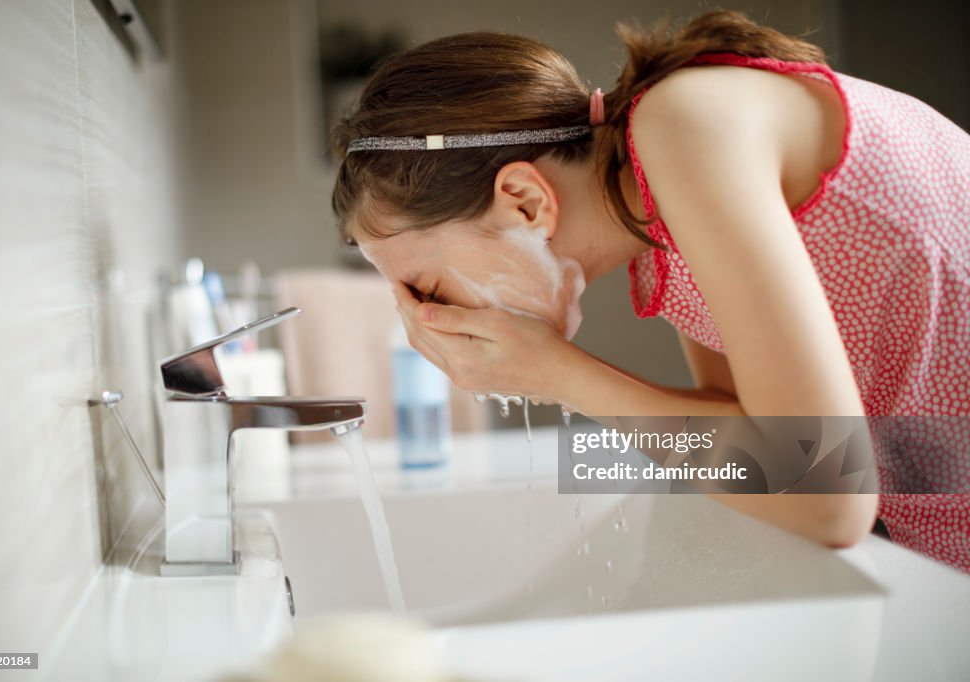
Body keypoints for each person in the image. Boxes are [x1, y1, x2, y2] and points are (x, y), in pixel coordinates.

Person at [329, 10, 970, 572]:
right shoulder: (653, 228)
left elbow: (825, 495)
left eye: (421, 284)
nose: (423, 316)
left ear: (523, 203)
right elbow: (753, 445)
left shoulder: (687, 127)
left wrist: (559, 375)